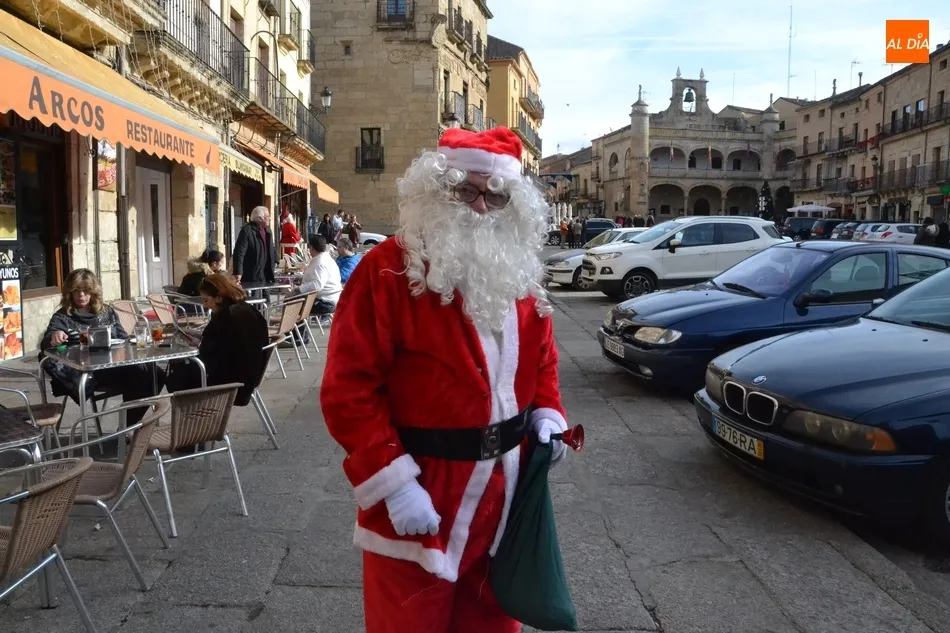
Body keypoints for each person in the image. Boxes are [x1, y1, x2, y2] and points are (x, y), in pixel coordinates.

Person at [320, 126, 570, 633]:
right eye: (465, 189)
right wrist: (394, 485)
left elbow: (541, 359)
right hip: (422, 494)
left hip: (504, 499)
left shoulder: (519, 272)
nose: (480, 207)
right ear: (436, 190)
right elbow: (349, 388)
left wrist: (547, 413)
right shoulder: (386, 270)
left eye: (496, 195)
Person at [40, 269, 165, 424]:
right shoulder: (63, 316)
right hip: (87, 372)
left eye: (86, 291)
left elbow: (123, 339)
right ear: (69, 293)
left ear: (93, 292)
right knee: (140, 375)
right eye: (77, 291)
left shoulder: (106, 312)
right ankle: (130, 429)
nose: (81, 295)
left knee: (155, 373)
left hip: (112, 365)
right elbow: (48, 340)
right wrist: (54, 336)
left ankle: (131, 424)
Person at [168, 274, 269, 406]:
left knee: (175, 378)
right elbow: (226, 343)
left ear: (219, 297)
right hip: (250, 377)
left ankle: (196, 420)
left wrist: (197, 343)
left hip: (230, 383)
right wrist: (197, 336)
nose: (205, 306)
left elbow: (213, 351)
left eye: (205, 300)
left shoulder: (226, 317)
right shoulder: (246, 309)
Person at [292, 235, 342, 316]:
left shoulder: (321, 262)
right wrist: (302, 278)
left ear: (312, 248)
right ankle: (296, 326)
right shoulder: (324, 259)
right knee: (294, 301)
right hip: (328, 299)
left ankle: (288, 326)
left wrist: (298, 290)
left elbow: (317, 285)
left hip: (325, 303)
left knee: (291, 304)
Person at [232, 206, 276, 285]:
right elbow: (239, 252)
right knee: (255, 296)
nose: (269, 218)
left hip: (267, 273)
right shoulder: (247, 231)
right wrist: (238, 272)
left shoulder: (268, 231)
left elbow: (271, 247)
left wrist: (276, 260)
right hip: (253, 274)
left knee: (266, 296)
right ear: (260, 218)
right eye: (267, 216)